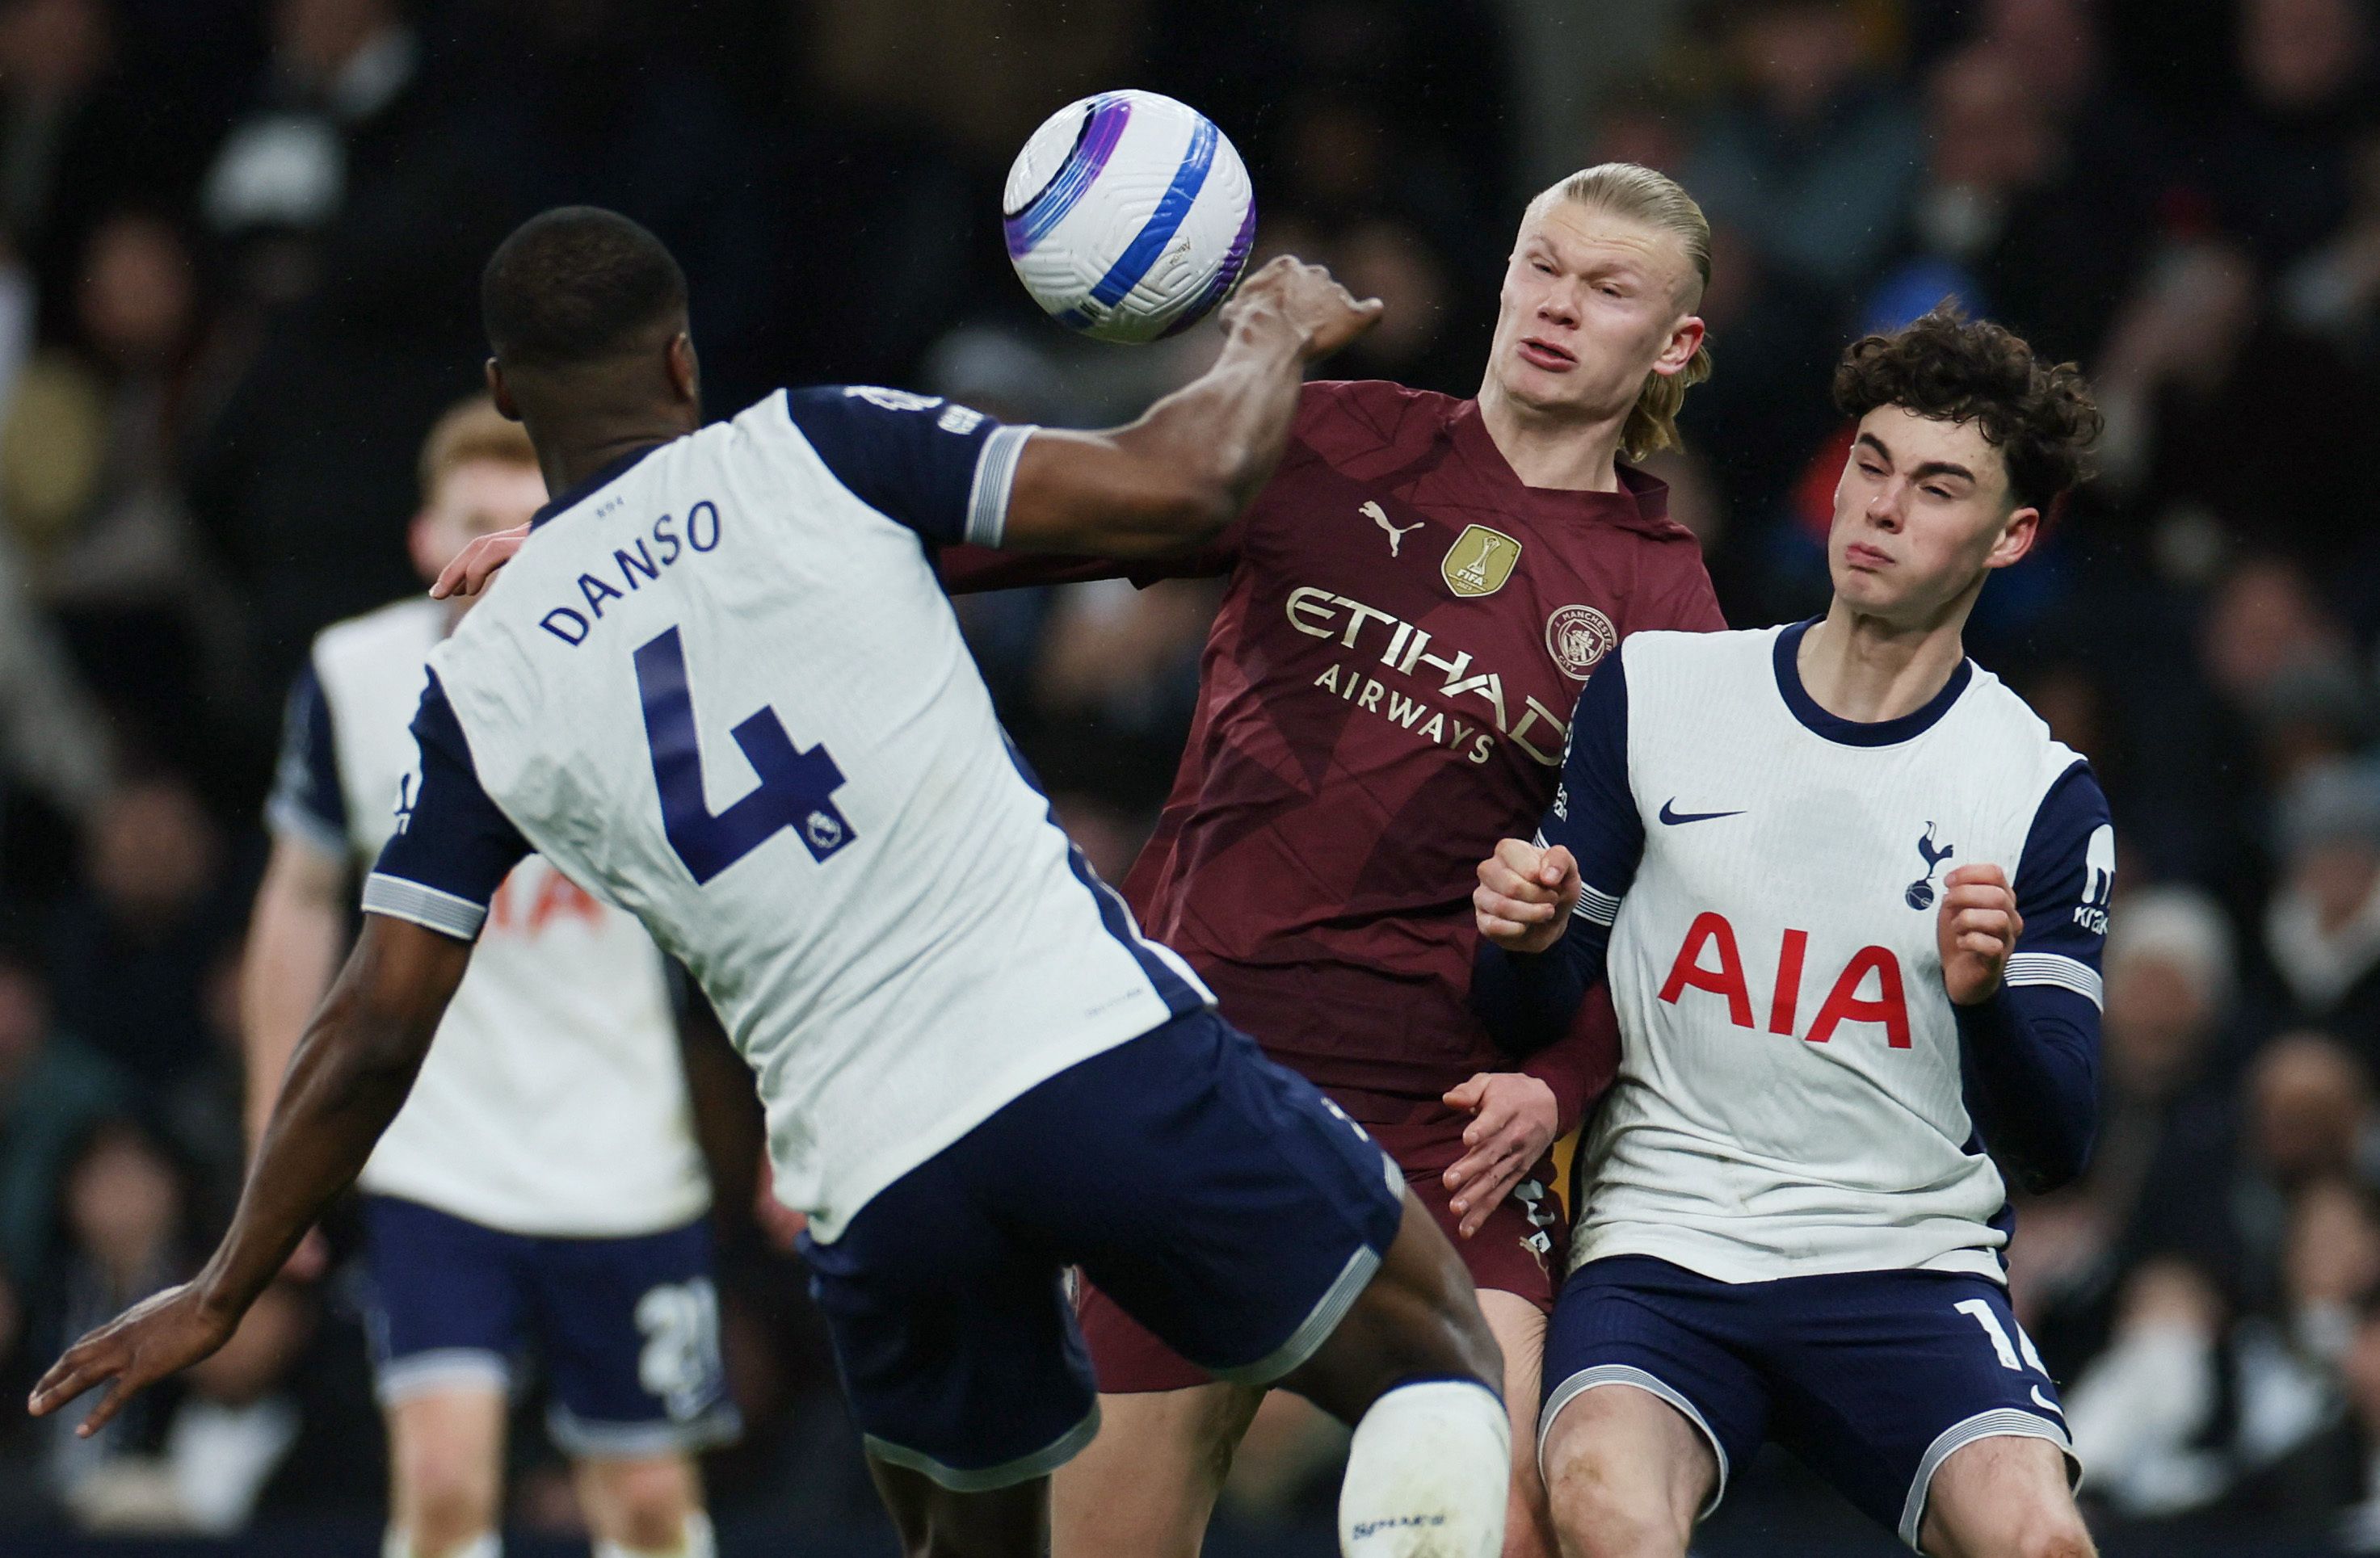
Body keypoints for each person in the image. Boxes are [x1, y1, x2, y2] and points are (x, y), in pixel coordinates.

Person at [29, 208, 1512, 1558]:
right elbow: (1183, 486)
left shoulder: (474, 680)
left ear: (502, 392)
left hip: (872, 1177)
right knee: (1435, 1348)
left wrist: (224, 1279)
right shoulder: (814, 446)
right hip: (1080, 1049)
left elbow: (369, 1027)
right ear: (684, 358)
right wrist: (1268, 327)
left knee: (972, 1545)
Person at [436, 163, 1728, 1558]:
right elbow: (955, 528)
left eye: (1606, 290)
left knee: (1509, 1518)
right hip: (1199, 1080)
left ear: (1674, 345)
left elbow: (1663, 912)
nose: (1555, 305)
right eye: (1541, 264)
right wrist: (614, 548)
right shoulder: (1330, 438)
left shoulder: (1663, 601)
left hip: (1443, 1122)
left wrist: (1555, 1082)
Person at [1473, 305, 2109, 1558]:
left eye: (1936, 488)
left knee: (2038, 1540)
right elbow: (1526, 1015)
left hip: (1906, 1261)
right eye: (1868, 463)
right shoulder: (1660, 689)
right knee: (1599, 1501)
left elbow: (2052, 1146)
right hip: (1663, 1243)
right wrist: (1523, 937)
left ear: (2011, 534)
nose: (1878, 507)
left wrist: (1981, 999)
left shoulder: (2038, 790)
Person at [245, 396, 734, 1558]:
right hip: (434, 1151)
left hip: (624, 1153)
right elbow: (299, 897)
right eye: (474, 519)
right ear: (427, 535)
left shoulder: (650, 673)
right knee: (445, 1480)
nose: (497, 552)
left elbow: (735, 905)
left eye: (529, 521)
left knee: (654, 1507)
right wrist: (281, 1132)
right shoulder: (353, 675)